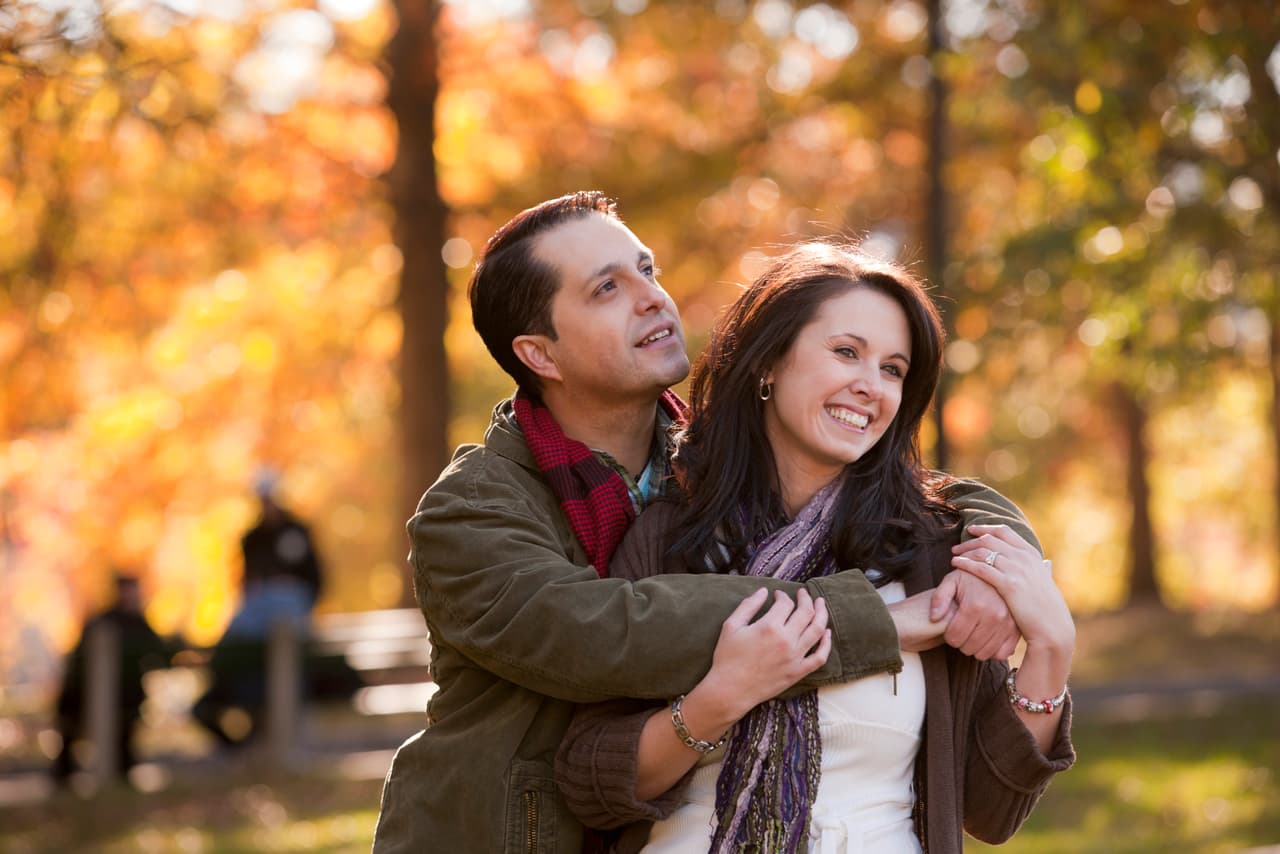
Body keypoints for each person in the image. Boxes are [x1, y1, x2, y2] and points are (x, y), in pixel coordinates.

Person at [372, 192, 1040, 853]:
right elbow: (610, 631)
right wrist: (883, 619)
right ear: (541, 355)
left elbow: (917, 492)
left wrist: (996, 560)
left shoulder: (701, 468)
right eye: (607, 288)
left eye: (647, 269)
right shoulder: (472, 510)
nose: (651, 297)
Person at [554, 242, 1076, 853]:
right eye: (846, 353)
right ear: (769, 363)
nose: (869, 386)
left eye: (892, 369)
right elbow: (589, 781)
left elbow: (990, 812)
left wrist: (1051, 650)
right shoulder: (669, 538)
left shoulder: (933, 554)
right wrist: (721, 697)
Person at [192, 472, 325, 746]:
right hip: (257, 611)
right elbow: (246, 583)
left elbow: (315, 579)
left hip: (288, 609)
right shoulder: (252, 538)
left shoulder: (297, 532)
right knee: (234, 643)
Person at [53, 573, 169, 785]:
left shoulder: (139, 623)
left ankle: (120, 773)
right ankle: (66, 774)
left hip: (126, 694)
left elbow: (158, 654)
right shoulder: (104, 622)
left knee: (124, 734)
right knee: (73, 730)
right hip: (89, 691)